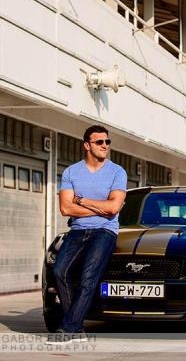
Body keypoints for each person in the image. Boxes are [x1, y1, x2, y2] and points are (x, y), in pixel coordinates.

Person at [48, 124, 127, 342]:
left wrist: (81, 200)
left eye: (107, 141)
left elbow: (114, 208)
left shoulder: (117, 172)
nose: (105, 145)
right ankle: (77, 328)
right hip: (77, 230)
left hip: (104, 231)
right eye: (99, 142)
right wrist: (102, 207)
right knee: (59, 272)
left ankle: (68, 328)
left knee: (88, 277)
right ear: (86, 145)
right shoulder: (71, 172)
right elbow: (66, 208)